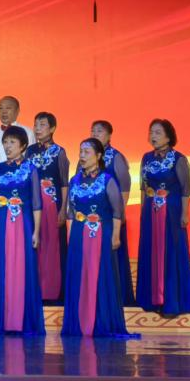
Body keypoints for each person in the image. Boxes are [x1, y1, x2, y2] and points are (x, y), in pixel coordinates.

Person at [0, 126, 44, 336]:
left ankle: (19, 321)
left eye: (12, 142)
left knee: (20, 267)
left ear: (23, 146)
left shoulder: (31, 169)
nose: (8, 146)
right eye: (5, 142)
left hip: (22, 223)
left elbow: (37, 203)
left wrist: (36, 231)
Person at [62, 137, 129, 337]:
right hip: (78, 234)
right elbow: (71, 212)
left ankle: (101, 321)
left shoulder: (107, 180)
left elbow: (117, 211)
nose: (82, 156)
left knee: (100, 276)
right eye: (80, 152)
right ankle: (79, 323)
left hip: (101, 234)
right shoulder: (74, 181)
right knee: (79, 276)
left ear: (98, 156)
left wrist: (115, 236)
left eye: (87, 152)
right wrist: (70, 237)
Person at [136, 118, 190, 316]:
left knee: (170, 252)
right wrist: (143, 210)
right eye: (151, 132)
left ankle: (171, 302)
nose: (152, 136)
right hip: (150, 212)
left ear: (169, 137)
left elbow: (186, 189)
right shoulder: (146, 158)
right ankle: (150, 300)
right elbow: (144, 187)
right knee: (151, 251)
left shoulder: (179, 159)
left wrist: (184, 213)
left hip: (171, 212)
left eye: (158, 133)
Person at [25, 111, 69, 305]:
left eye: (42, 125)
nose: (37, 128)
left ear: (52, 128)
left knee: (52, 246)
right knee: (34, 245)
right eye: (36, 124)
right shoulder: (29, 151)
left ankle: (52, 293)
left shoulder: (59, 152)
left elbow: (64, 184)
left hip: (53, 205)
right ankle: (34, 289)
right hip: (32, 205)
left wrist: (63, 209)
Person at [91, 119, 135, 306]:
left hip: (111, 217)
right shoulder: (86, 156)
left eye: (99, 131)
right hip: (91, 218)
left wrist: (120, 212)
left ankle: (117, 296)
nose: (95, 134)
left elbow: (124, 186)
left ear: (109, 135)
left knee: (113, 257)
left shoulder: (116, 157)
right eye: (93, 131)